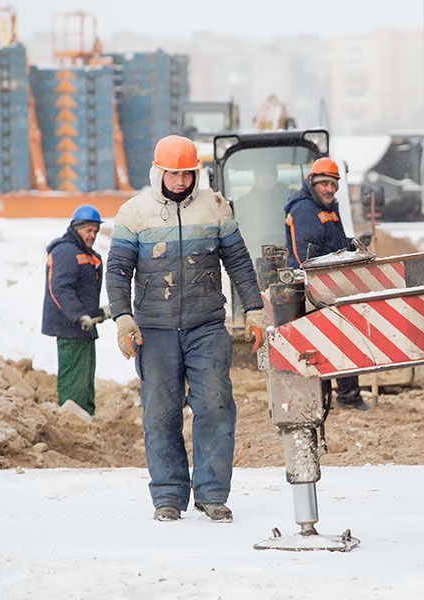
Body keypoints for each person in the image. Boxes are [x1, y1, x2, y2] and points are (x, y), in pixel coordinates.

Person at [106, 135, 265, 523]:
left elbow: (239, 263)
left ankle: (212, 494)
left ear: (197, 173)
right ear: (158, 172)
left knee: (215, 407)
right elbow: (118, 271)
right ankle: (168, 495)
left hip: (206, 326)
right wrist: (123, 318)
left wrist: (255, 309)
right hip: (154, 330)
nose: (180, 181)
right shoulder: (134, 213)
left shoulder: (215, 208)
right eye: (173, 174)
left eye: (187, 174)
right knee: (160, 414)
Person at [284, 157, 372, 410]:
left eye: (333, 185)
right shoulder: (304, 209)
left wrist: (351, 245)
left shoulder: (327, 208)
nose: (329, 189)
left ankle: (346, 396)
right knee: (322, 341)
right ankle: (327, 399)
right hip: (314, 286)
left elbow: (332, 242)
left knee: (343, 338)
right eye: (324, 184)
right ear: (312, 183)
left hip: (331, 282)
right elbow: (309, 255)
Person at [42, 204, 109, 416]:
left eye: (96, 231)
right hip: (70, 327)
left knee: (86, 376)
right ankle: (73, 418)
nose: (93, 235)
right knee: (74, 377)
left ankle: (86, 416)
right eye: (88, 230)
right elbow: (60, 288)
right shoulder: (66, 252)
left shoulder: (87, 254)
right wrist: (79, 316)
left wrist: (97, 313)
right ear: (77, 228)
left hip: (84, 327)